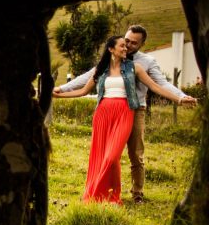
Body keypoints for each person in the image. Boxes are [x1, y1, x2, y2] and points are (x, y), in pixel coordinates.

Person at [54, 25, 198, 203]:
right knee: (105, 155)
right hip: (106, 112)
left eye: (132, 43)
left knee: (134, 153)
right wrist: (60, 89)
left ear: (141, 44)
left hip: (133, 110)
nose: (128, 45)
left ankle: (137, 192)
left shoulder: (142, 64)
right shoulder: (105, 65)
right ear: (113, 47)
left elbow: (159, 84)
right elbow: (86, 81)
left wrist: (181, 97)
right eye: (125, 41)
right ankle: (101, 194)